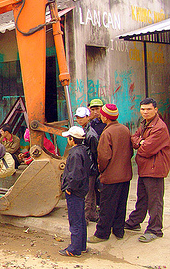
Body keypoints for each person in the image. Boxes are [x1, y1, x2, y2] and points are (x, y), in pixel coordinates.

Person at [125, 98, 170, 243]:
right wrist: (139, 141)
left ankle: (155, 229)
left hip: (155, 168)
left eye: (149, 109)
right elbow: (133, 137)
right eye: (143, 109)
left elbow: (146, 150)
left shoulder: (159, 128)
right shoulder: (145, 123)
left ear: (156, 110)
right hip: (145, 168)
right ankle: (135, 222)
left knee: (155, 201)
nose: (145, 112)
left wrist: (140, 143)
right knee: (142, 197)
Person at [88, 104, 133, 243]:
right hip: (125, 175)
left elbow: (104, 157)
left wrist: (102, 169)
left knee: (107, 206)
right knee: (121, 203)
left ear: (105, 117)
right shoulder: (125, 129)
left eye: (101, 114)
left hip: (111, 176)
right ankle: (119, 230)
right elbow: (130, 151)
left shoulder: (107, 133)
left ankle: (102, 233)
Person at [59, 126, 90, 257]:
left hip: (75, 191)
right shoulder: (83, 151)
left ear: (72, 139)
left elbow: (75, 174)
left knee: (75, 220)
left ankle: (74, 249)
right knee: (80, 219)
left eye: (68, 138)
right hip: (81, 190)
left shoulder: (75, 153)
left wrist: (70, 188)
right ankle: (81, 245)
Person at [74, 106, 100, 222]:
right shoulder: (84, 131)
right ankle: (92, 214)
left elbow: (95, 153)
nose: (80, 120)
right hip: (87, 167)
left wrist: (93, 167)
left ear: (87, 117)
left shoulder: (91, 134)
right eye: (78, 118)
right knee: (91, 192)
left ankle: (85, 217)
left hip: (89, 168)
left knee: (88, 193)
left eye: (82, 117)